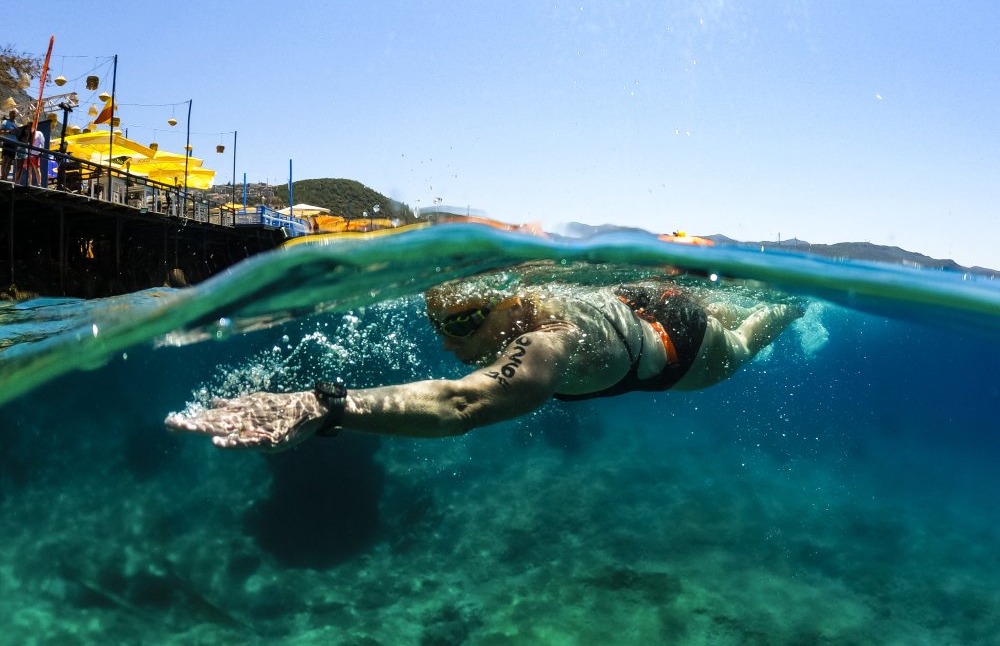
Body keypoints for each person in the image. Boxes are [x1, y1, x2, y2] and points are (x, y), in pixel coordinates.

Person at [166, 274, 804, 451]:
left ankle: (792, 308)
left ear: (509, 306)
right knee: (717, 313)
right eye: (439, 325)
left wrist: (324, 406)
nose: (448, 342)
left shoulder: (548, 337)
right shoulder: (540, 305)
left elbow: (461, 403)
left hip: (684, 351)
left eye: (463, 323)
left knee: (744, 338)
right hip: (632, 301)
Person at [0, 110, 16, 181]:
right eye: (12, 113)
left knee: (9, 162)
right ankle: (3, 177)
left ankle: (5, 177)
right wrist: (9, 131)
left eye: (15, 114)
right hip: (7, 143)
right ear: (9, 114)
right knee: (5, 160)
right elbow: (0, 132)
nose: (14, 115)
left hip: (14, 145)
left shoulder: (16, 125)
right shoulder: (5, 122)